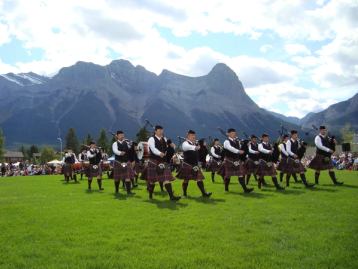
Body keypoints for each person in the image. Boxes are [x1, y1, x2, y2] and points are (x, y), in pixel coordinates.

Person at [142, 125, 180, 201]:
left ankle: (171, 197)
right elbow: (153, 148)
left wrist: (173, 146)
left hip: (163, 162)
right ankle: (150, 195)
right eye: (159, 130)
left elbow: (168, 149)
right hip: (154, 161)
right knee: (152, 181)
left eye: (162, 130)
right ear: (155, 131)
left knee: (166, 179)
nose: (161, 132)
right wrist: (159, 153)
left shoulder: (164, 139)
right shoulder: (151, 139)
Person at [177, 130, 212, 197]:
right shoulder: (185, 143)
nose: (194, 137)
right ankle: (184, 194)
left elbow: (201, 150)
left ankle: (204, 193)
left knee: (199, 178)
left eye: (194, 136)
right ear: (188, 136)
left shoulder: (195, 143)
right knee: (186, 180)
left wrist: (200, 145)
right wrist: (194, 147)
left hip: (195, 164)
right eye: (192, 136)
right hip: (187, 164)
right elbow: (186, 147)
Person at [219, 128, 254, 193]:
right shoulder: (226, 142)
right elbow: (231, 148)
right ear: (228, 134)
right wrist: (238, 151)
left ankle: (245, 189)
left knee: (240, 174)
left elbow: (241, 148)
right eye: (232, 133)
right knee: (228, 175)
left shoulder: (237, 141)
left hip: (237, 160)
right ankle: (226, 189)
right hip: (229, 160)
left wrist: (246, 145)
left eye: (234, 133)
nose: (234, 134)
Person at [111, 131, 135, 195]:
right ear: (117, 136)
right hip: (118, 162)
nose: (122, 136)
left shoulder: (126, 143)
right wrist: (120, 153)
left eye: (123, 135)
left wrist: (130, 144)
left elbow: (129, 149)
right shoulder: (115, 143)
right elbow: (115, 150)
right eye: (121, 135)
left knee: (128, 177)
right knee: (117, 178)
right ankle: (116, 190)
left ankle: (128, 192)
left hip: (126, 161)